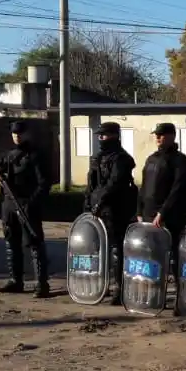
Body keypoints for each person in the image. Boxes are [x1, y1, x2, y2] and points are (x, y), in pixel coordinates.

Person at [0, 120, 50, 297]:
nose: (17, 137)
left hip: (27, 204)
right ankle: (15, 280)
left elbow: (44, 183)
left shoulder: (36, 155)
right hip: (9, 204)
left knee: (34, 243)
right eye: (14, 134)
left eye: (20, 134)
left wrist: (31, 203)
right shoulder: (8, 155)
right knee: (12, 242)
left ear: (27, 134)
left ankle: (42, 284)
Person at [83, 122, 137, 304]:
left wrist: (101, 202)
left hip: (116, 208)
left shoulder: (122, 159)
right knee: (97, 248)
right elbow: (91, 184)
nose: (101, 138)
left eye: (104, 135)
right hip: (97, 209)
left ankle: (119, 288)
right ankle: (100, 286)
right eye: (100, 135)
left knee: (116, 248)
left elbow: (115, 183)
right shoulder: (97, 157)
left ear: (114, 136)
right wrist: (88, 203)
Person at [138, 122, 186, 265]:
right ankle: (153, 284)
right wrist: (139, 210)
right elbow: (144, 186)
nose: (157, 137)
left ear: (172, 136)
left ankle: (176, 281)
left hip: (170, 217)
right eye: (156, 134)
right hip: (148, 214)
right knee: (149, 253)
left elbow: (178, 189)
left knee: (172, 253)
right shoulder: (151, 159)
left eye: (161, 134)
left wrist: (163, 212)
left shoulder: (181, 161)